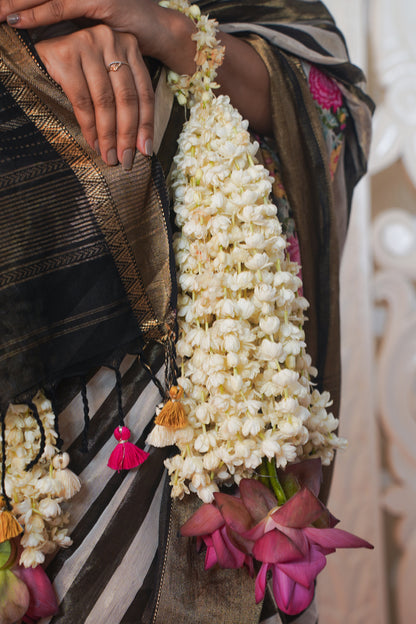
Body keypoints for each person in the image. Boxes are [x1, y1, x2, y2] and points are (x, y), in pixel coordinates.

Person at [0, 1, 373, 622]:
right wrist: (19, 63)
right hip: (42, 405)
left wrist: (175, 33)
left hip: (222, 394)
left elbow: (331, 106)